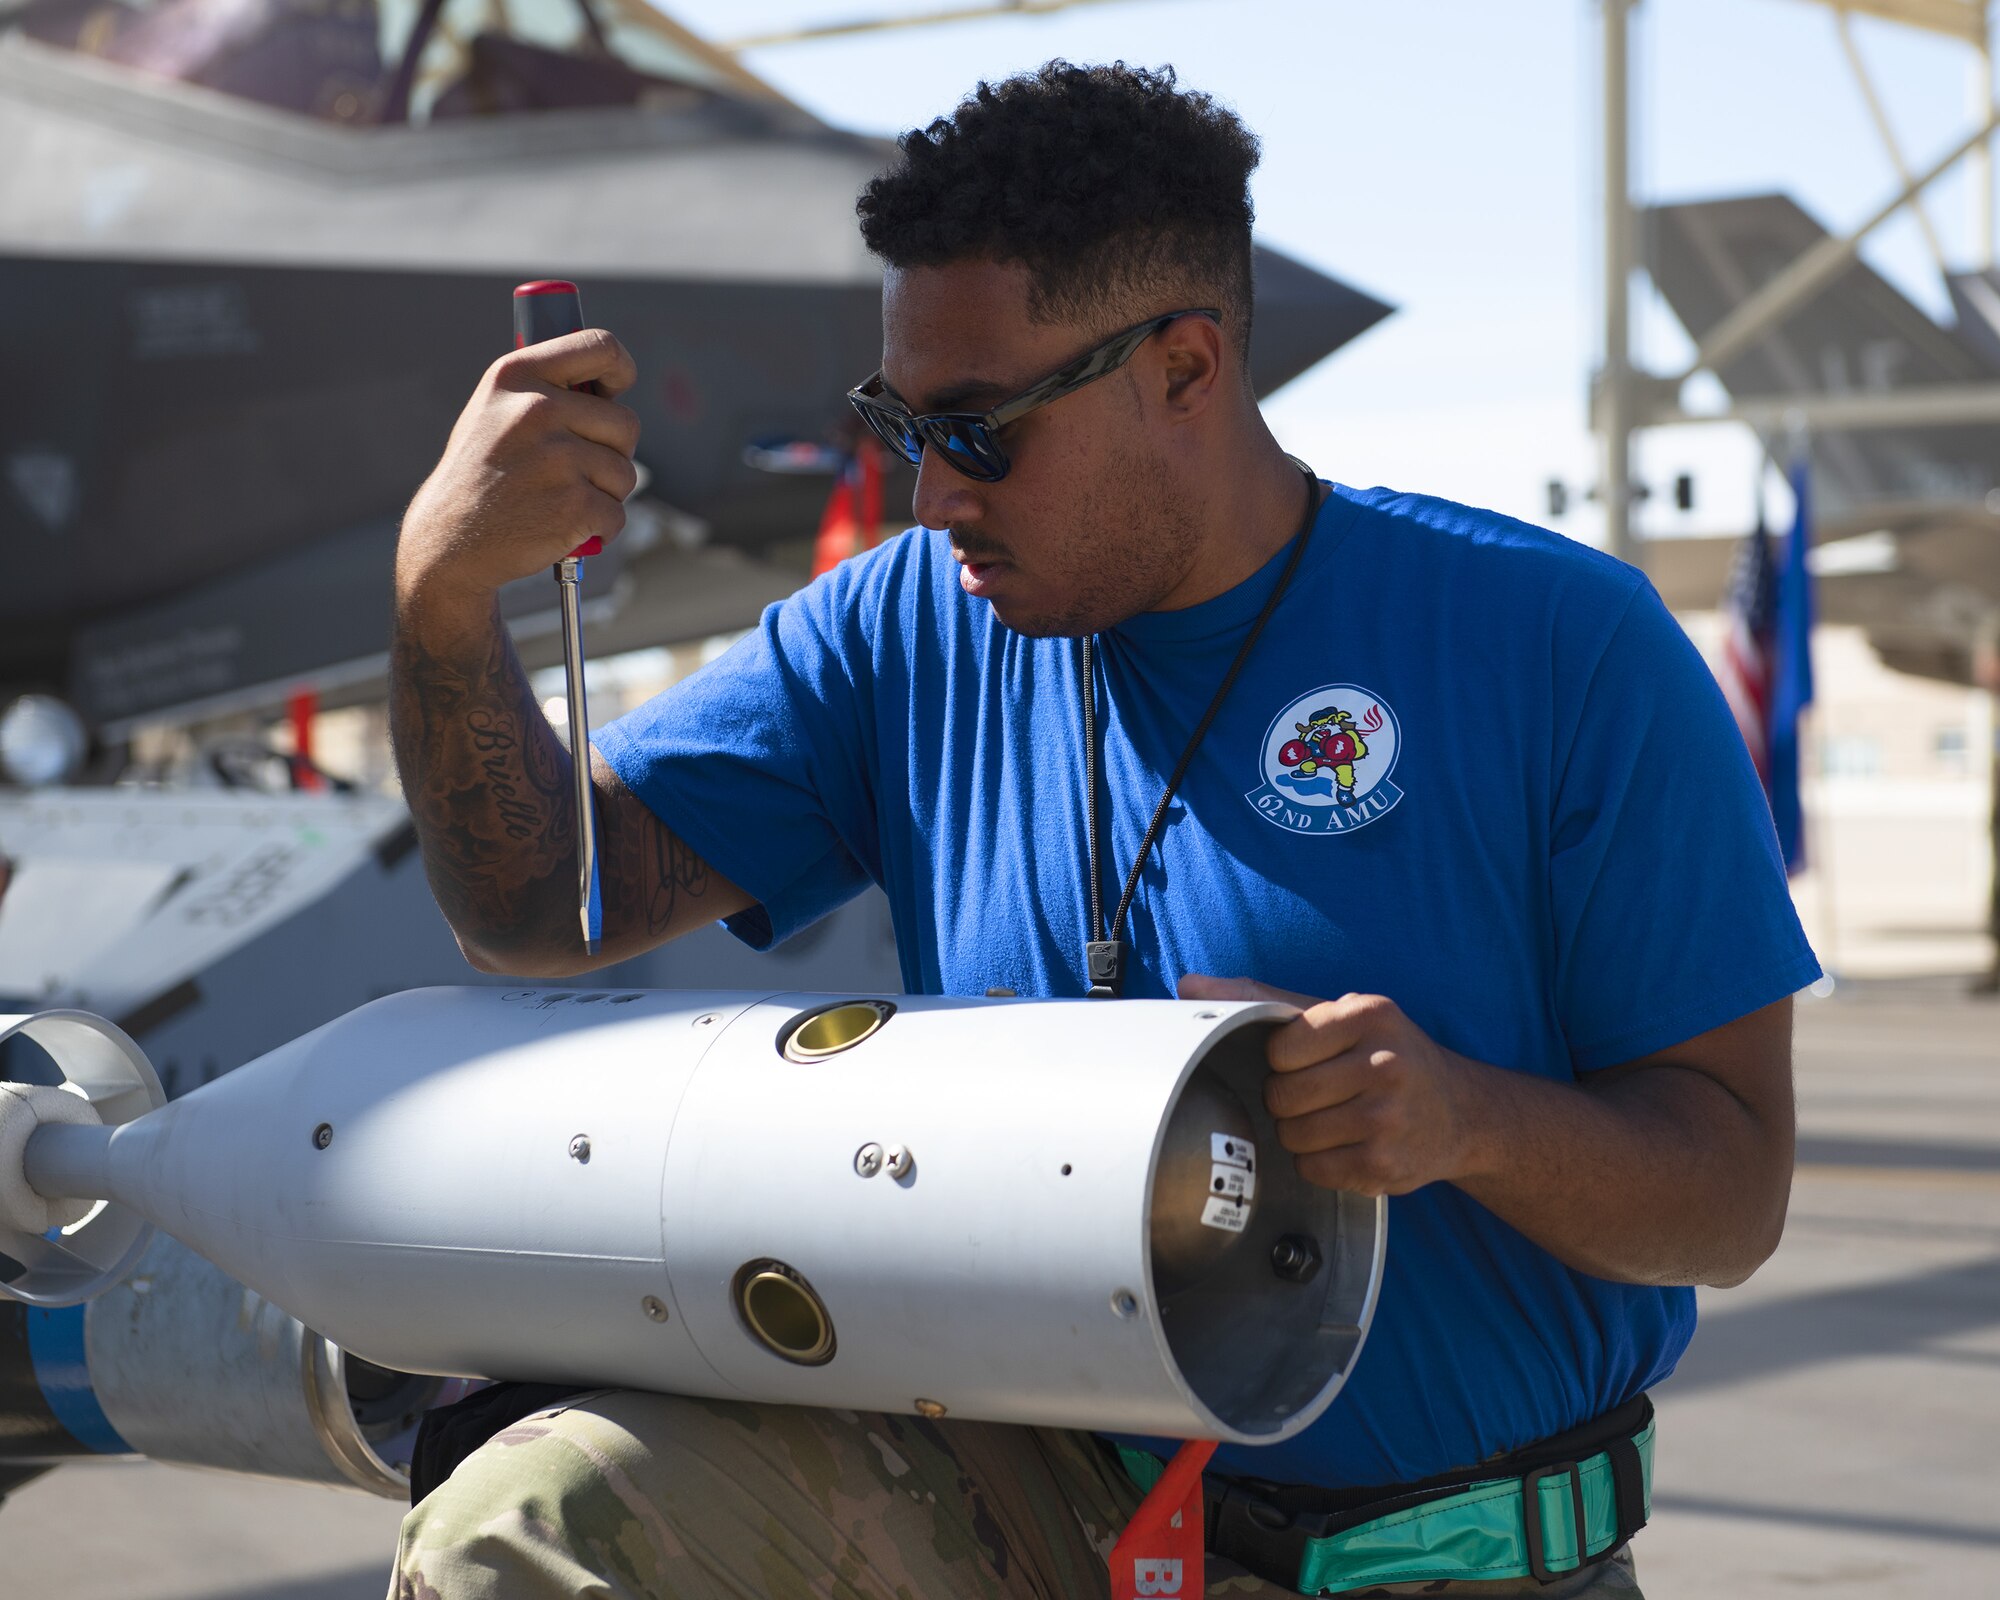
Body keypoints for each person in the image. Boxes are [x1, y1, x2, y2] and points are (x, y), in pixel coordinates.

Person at [386, 60, 1815, 1600]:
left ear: (1186, 370)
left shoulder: (1556, 648)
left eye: (980, 430)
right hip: (1041, 1513)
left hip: (1455, 1558)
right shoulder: (905, 635)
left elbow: (1729, 1200)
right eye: (897, 424)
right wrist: (444, 596)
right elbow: (541, 905)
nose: (930, 494)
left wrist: (1462, 1122)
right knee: (531, 1529)